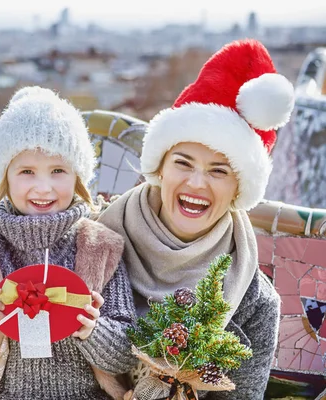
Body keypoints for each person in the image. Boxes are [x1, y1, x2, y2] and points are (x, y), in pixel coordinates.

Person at [98, 39, 294, 399]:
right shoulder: (93, 244)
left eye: (218, 171)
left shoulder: (254, 301)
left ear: (239, 188)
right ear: (159, 166)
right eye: (183, 163)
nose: (196, 183)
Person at [0, 86, 136, 400]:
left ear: (78, 176)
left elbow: (127, 354)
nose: (43, 187)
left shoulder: (101, 248)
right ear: (5, 177)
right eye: (27, 171)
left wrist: (94, 330)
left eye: (58, 171)